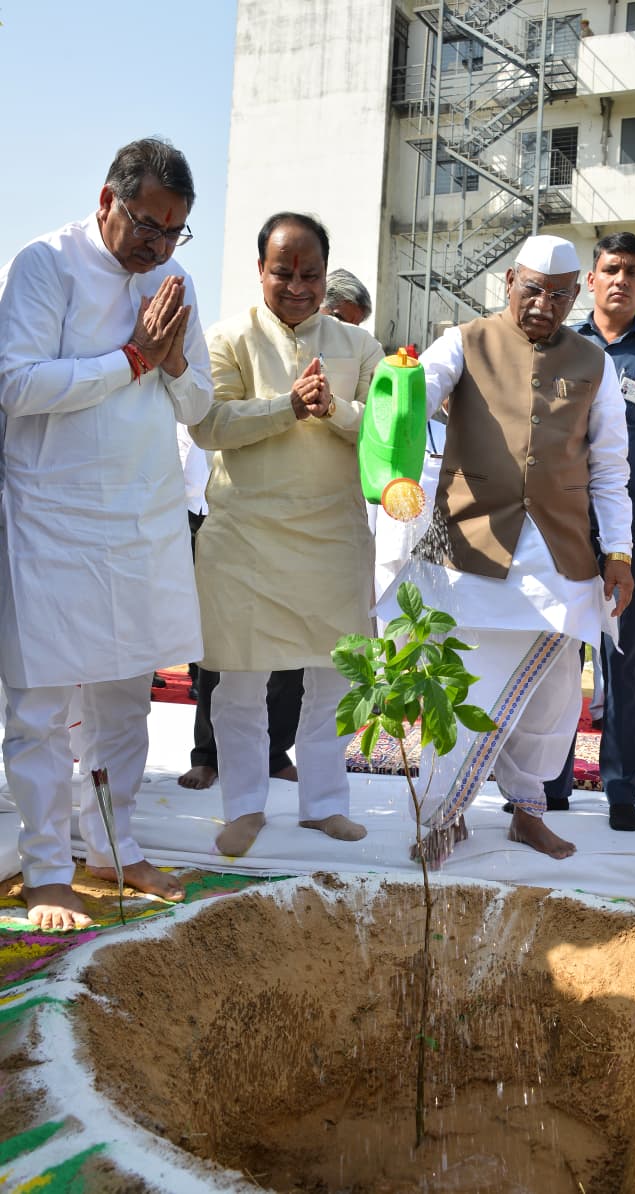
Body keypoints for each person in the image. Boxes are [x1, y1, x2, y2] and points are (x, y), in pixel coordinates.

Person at [0, 138, 213, 930]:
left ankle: (115, 849)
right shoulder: (44, 265)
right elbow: (15, 384)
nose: (157, 246)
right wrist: (131, 359)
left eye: (173, 231)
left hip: (142, 520)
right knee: (43, 710)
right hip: (52, 522)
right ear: (106, 202)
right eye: (148, 225)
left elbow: (199, 411)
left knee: (126, 704)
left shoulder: (174, 280)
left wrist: (174, 365)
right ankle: (49, 867)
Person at [377, 234, 635, 866]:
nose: (543, 304)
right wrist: (404, 388)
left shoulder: (595, 365)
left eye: (558, 294)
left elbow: (610, 468)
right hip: (470, 550)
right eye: (531, 289)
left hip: (562, 555)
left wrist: (621, 553)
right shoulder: (463, 341)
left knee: (550, 703)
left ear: (578, 295)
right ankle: (442, 816)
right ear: (508, 283)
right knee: (467, 691)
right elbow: (415, 398)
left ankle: (529, 813)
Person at [189, 212, 384, 856]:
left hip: (333, 535)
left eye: (310, 274)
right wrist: (286, 407)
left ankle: (324, 804)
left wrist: (335, 410)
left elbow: (386, 433)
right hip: (245, 536)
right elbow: (209, 424)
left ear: (326, 275)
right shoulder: (227, 338)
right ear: (261, 270)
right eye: (284, 272)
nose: (297, 286)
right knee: (239, 681)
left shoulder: (359, 347)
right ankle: (244, 805)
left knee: (333, 679)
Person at [543, 232, 635, 827]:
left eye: (633, 271)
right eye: (611, 269)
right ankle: (547, 781)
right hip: (558, 520)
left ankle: (621, 789)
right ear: (591, 279)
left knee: (622, 654)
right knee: (556, 653)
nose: (621, 280)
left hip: (628, 527)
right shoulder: (559, 345)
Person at [175, 425, 305, 790]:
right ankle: (209, 755)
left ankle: (274, 752)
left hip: (294, 503)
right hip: (216, 502)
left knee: (293, 640)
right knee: (222, 641)